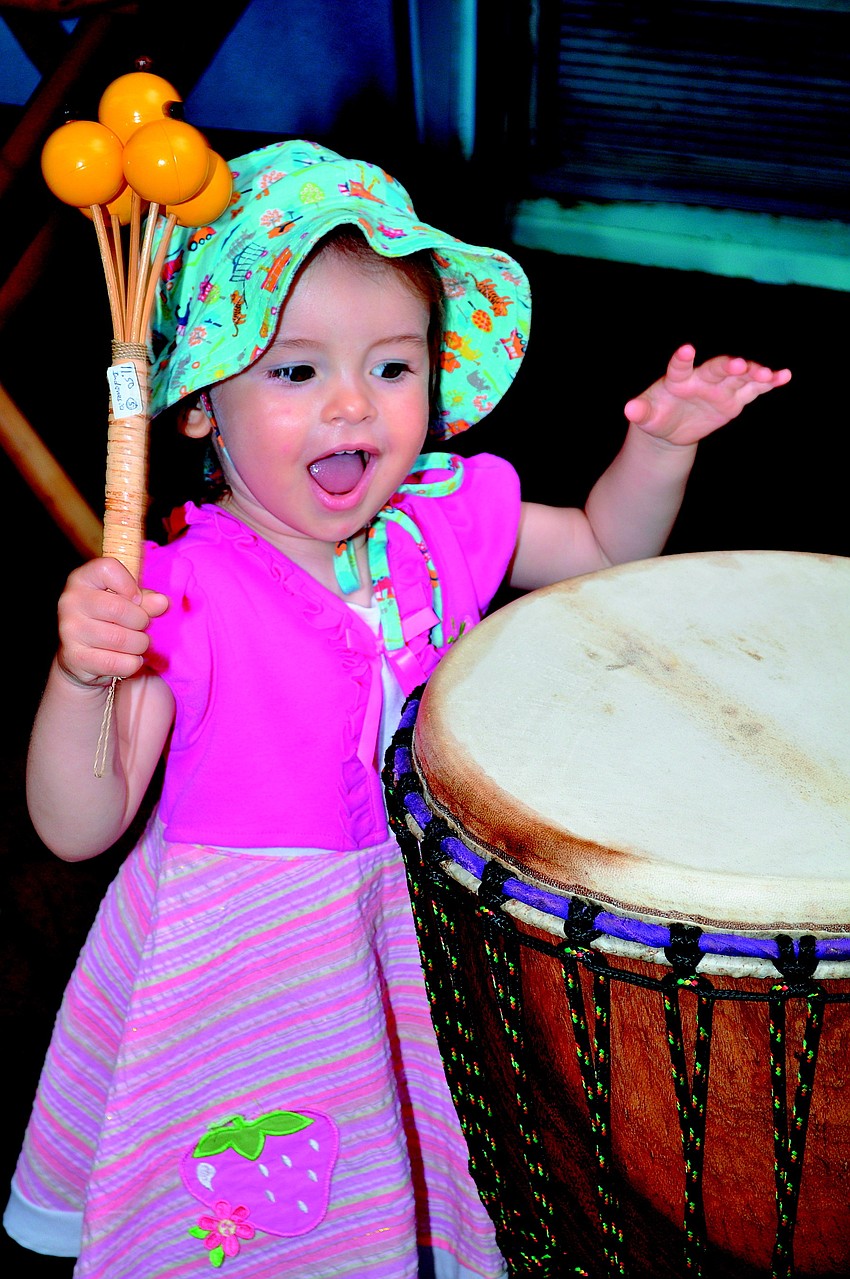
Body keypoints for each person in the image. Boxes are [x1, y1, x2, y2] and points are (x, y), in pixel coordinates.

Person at [3, 138, 790, 1279]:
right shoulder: (183, 593)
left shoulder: (443, 516)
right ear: (196, 412)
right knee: (262, 1217)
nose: (351, 407)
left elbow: (605, 546)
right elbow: (76, 823)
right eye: (293, 372)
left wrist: (655, 446)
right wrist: (82, 678)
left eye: (391, 367)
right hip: (254, 959)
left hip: (415, 915)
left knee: (414, 1167)